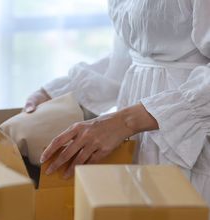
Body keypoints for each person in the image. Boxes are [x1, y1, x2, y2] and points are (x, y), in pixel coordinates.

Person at [26, 0, 210, 205]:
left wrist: (125, 122)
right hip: (137, 133)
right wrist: (58, 93)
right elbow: (131, 54)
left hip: (188, 138)